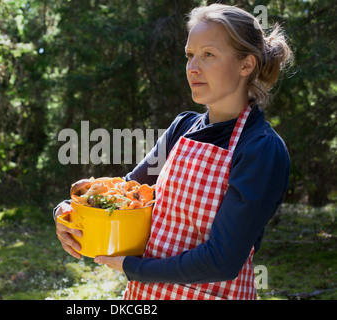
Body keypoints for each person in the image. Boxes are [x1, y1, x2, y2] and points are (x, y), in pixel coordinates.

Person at [54, 3, 293, 300]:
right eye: (190, 55)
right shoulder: (183, 128)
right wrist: (69, 211)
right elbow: (127, 195)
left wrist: (134, 268)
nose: (193, 67)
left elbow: (222, 261)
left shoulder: (260, 148)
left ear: (246, 65)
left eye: (208, 54)